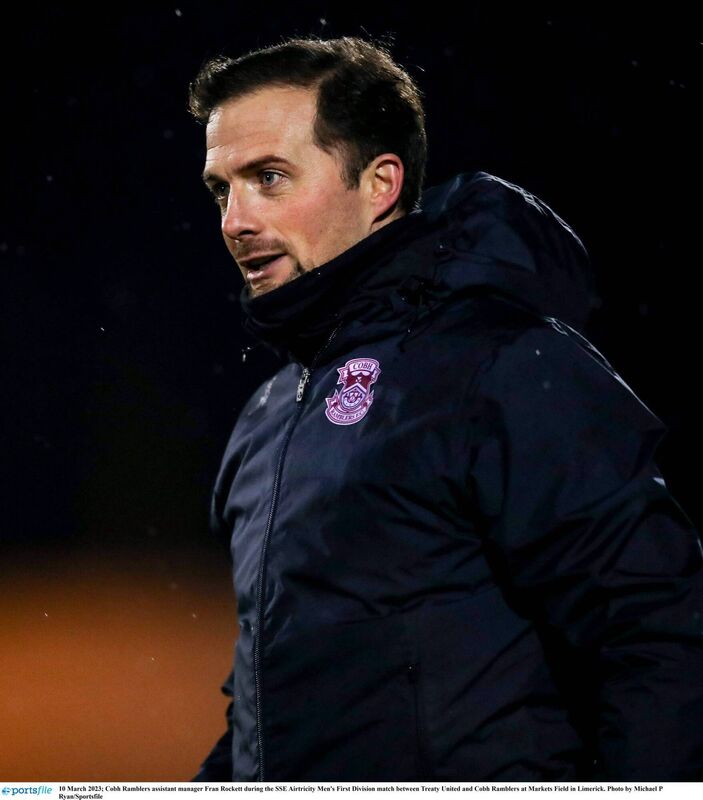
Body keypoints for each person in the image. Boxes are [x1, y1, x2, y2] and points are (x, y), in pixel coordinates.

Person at [188, 35, 703, 782]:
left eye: (268, 177)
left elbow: (657, 633)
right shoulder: (269, 413)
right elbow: (267, 704)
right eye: (221, 189)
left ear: (380, 183)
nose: (235, 219)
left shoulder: (500, 364)